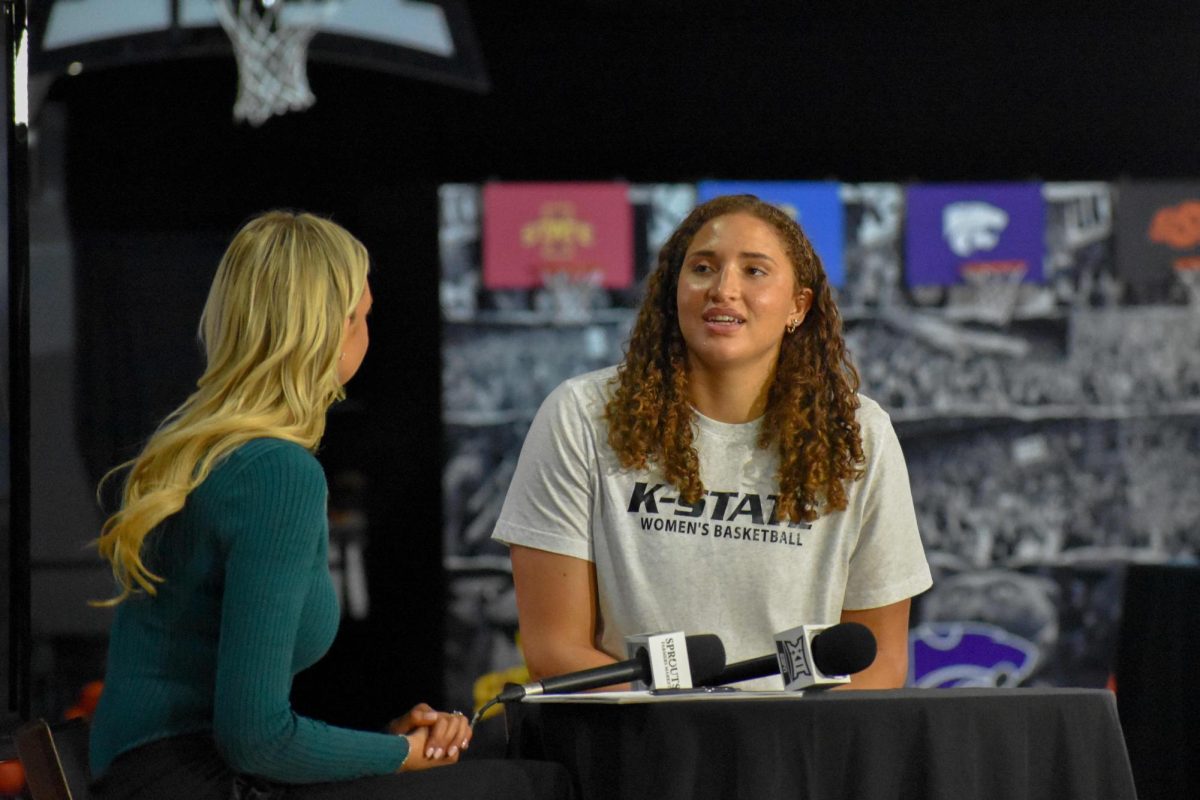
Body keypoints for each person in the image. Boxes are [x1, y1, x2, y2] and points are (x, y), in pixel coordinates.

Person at [89, 211, 572, 800]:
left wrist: (382, 749)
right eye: (363, 316)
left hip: (155, 775)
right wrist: (398, 754)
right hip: (197, 781)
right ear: (328, 329)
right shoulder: (277, 472)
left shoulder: (193, 448)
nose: (369, 332)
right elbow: (258, 741)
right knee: (533, 784)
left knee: (501, 754)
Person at [494, 194, 932, 690]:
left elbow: (879, 661)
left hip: (793, 752)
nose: (724, 289)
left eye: (754, 271)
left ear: (798, 305)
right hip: (635, 747)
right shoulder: (581, 416)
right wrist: (688, 728)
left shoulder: (861, 435)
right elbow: (554, 650)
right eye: (703, 267)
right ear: (674, 290)